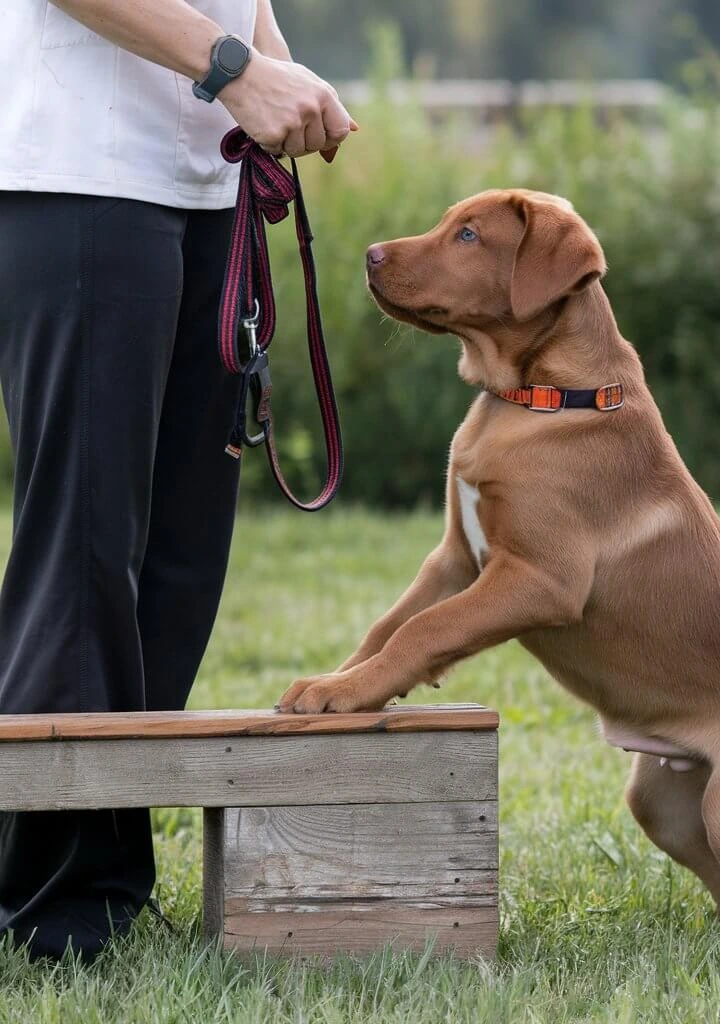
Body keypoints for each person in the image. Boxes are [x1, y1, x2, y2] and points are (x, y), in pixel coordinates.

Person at [0, 0, 355, 962]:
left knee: (183, 560)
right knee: (87, 548)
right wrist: (237, 66)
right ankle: (52, 902)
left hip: (207, 189)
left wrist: (282, 70)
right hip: (83, 176)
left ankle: (105, 880)